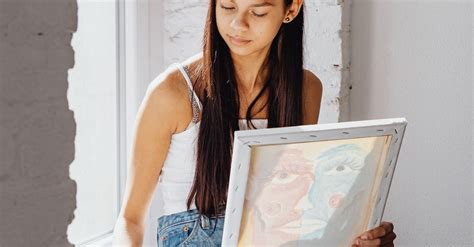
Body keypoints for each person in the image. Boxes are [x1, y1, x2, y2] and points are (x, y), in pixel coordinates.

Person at [112, 0, 397, 246]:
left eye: (258, 12)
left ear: (291, 9)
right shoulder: (172, 93)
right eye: (227, 7)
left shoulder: (305, 90)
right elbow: (130, 219)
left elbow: (292, 213)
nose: (238, 24)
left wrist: (355, 235)